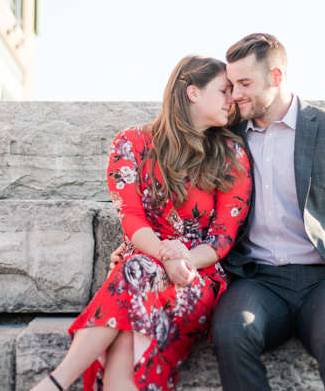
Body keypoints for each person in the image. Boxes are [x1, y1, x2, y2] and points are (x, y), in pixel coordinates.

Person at [114, 34, 325, 391]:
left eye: (245, 84)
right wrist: (136, 245)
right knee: (230, 333)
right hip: (256, 280)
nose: (235, 95)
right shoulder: (226, 135)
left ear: (276, 77)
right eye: (230, 85)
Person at [29, 55, 252, 391]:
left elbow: (223, 238)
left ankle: (55, 384)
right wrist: (166, 255)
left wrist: (182, 259)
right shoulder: (131, 144)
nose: (232, 99)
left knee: (133, 276)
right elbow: (131, 218)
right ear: (193, 92)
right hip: (142, 262)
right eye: (224, 90)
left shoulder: (230, 154)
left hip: (198, 274)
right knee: (136, 272)